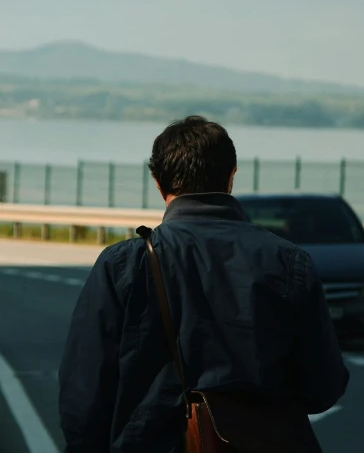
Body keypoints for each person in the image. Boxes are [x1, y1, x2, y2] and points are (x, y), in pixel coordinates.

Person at [59, 116, 349, 453]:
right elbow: (323, 387)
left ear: (157, 182)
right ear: (232, 175)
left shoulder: (125, 264)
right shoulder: (289, 262)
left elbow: (84, 396)